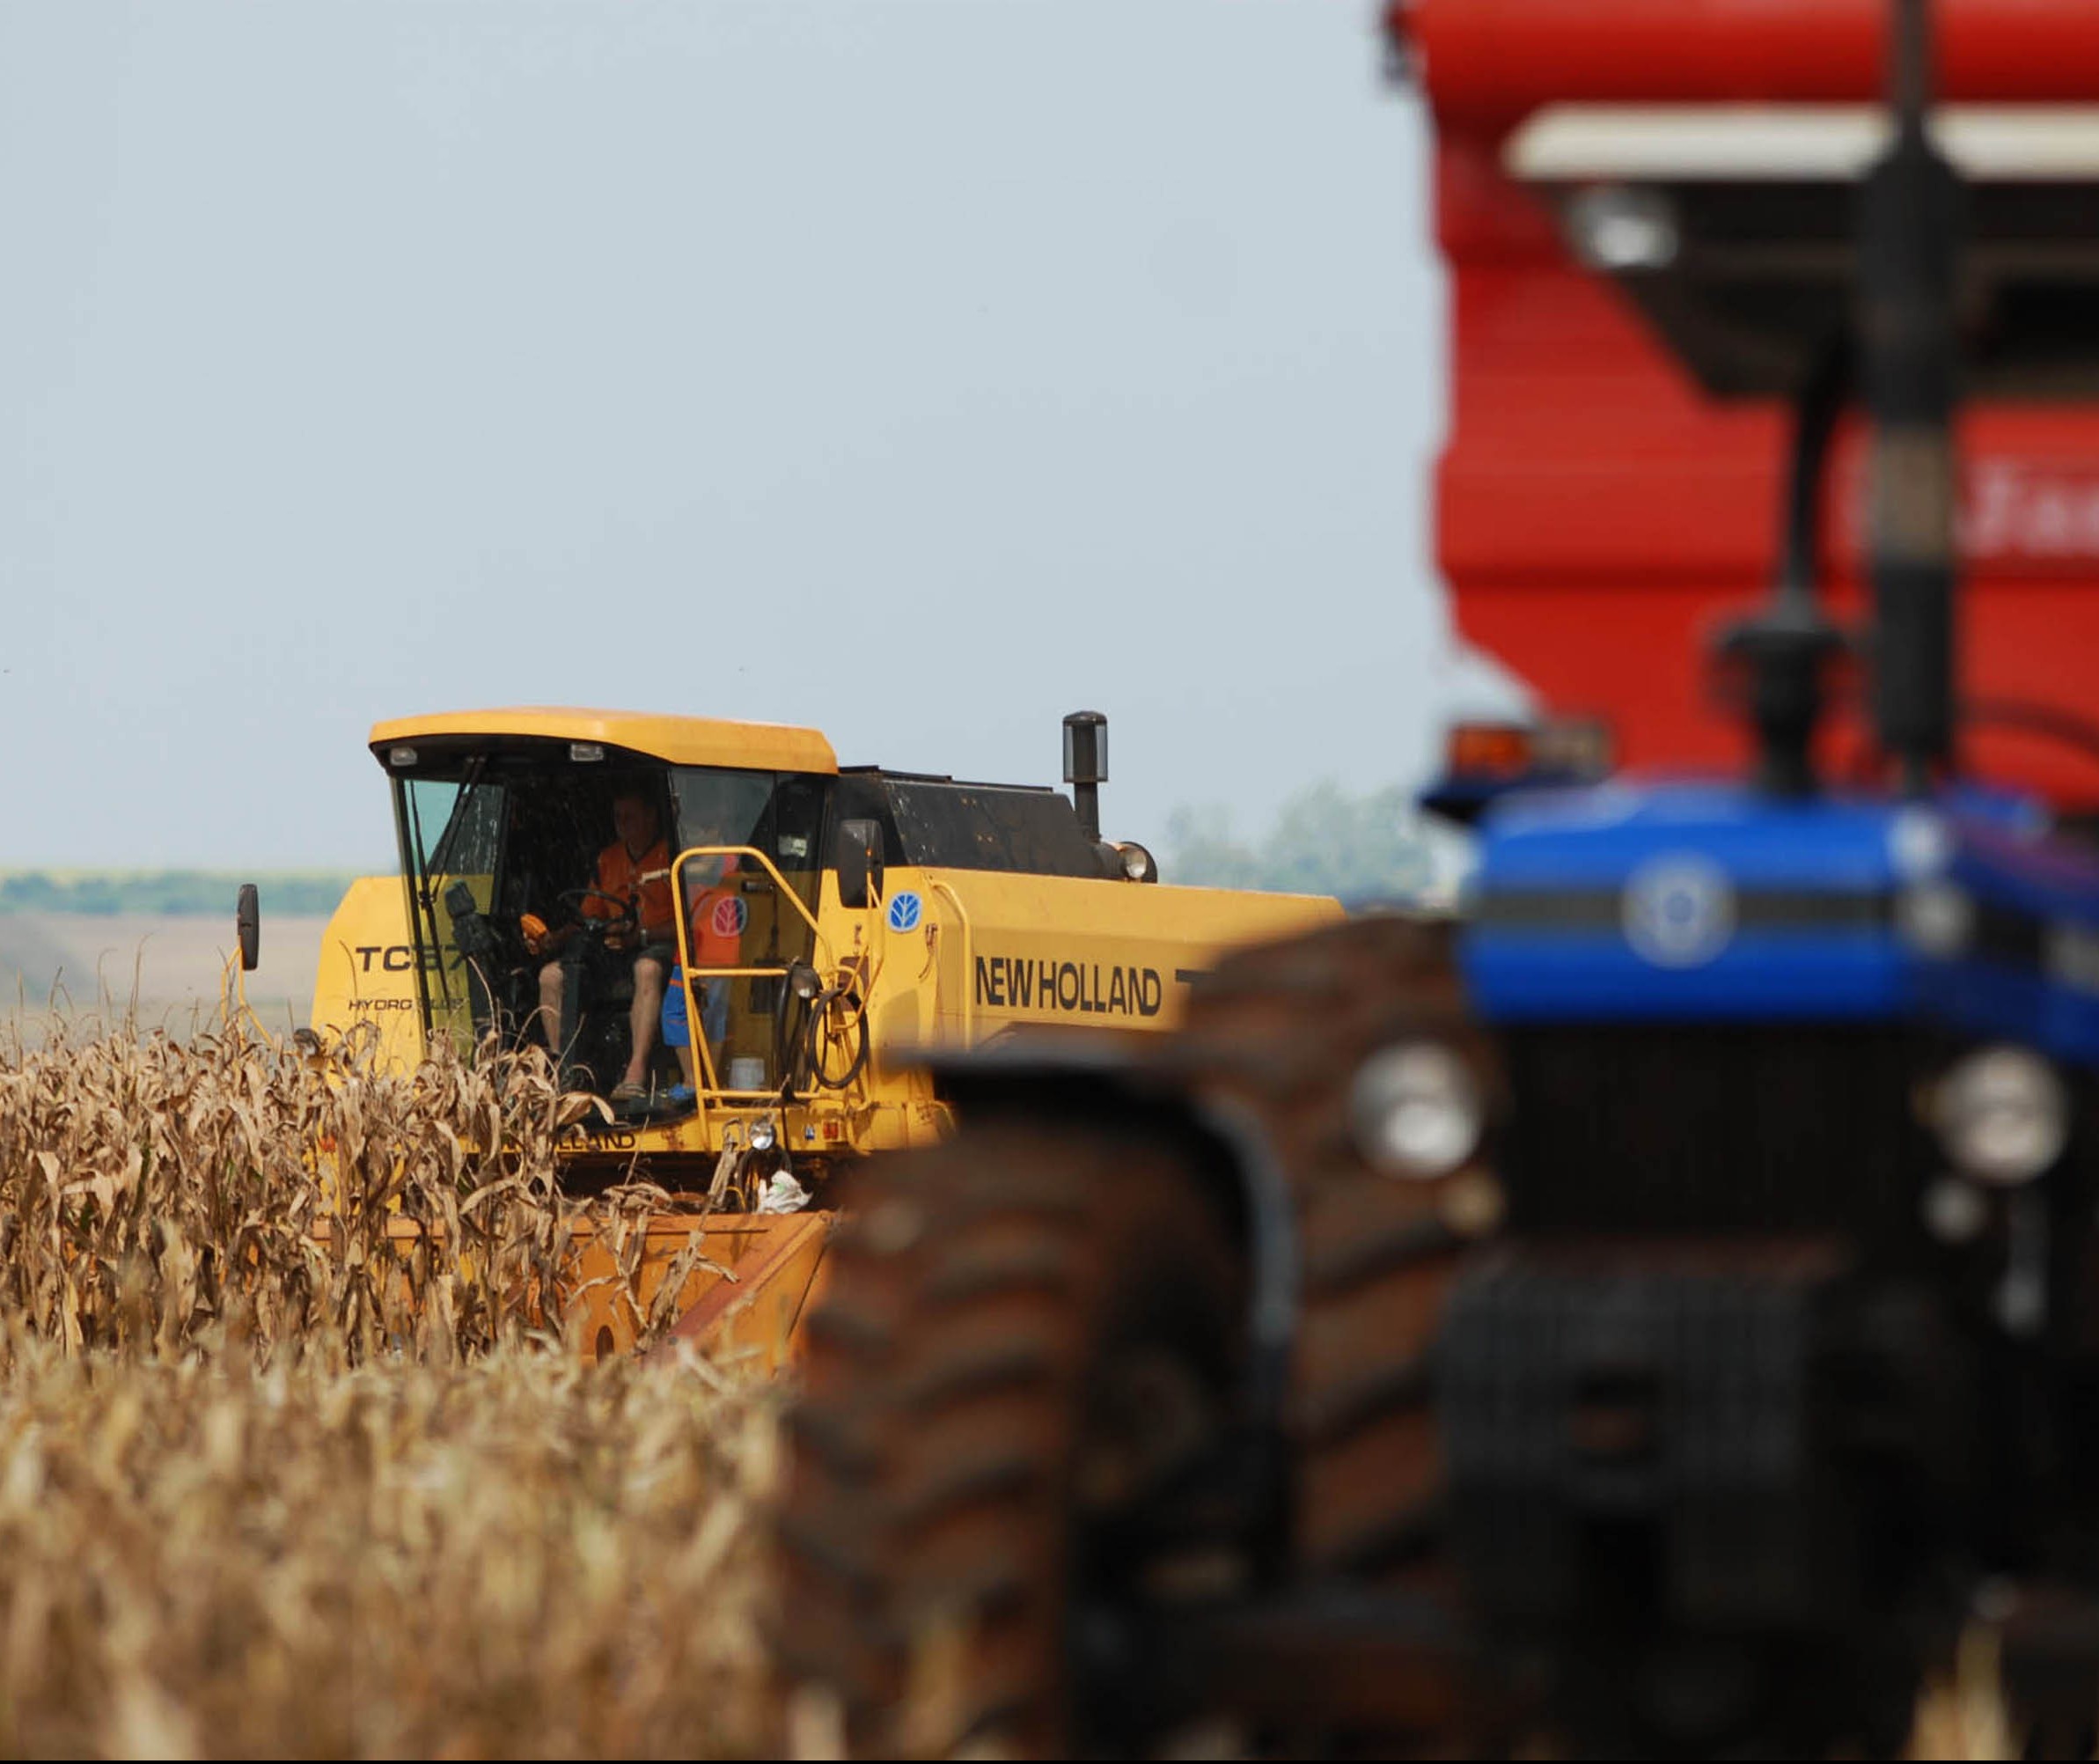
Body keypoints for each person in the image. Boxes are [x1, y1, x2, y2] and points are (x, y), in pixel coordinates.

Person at [528, 790, 677, 1100]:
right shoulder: (608, 860)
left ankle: (635, 1073)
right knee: (552, 976)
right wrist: (555, 938)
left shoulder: (673, 856)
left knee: (647, 967)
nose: (621, 823)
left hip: (659, 946)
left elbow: (687, 923)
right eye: (617, 816)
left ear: (651, 816)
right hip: (614, 949)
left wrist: (642, 936)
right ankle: (562, 1073)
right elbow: (588, 915)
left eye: (629, 816)